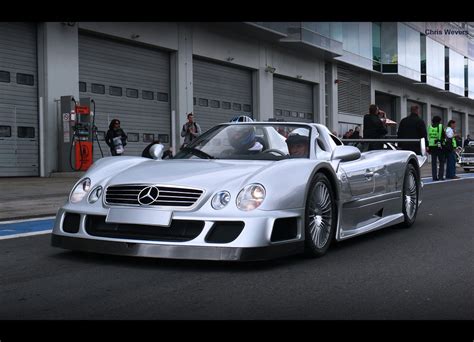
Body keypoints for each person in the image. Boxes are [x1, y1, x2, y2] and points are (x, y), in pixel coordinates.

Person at [427, 115, 446, 181]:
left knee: (433, 163)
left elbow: (428, 137)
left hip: (432, 146)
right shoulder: (440, 126)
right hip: (439, 146)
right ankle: (440, 176)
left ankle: (434, 177)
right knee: (441, 161)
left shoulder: (429, 127)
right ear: (439, 121)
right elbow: (443, 136)